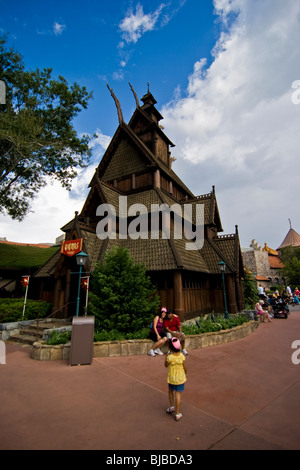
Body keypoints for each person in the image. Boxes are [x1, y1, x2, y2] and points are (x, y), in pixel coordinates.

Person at [164, 337, 187, 421]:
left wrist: (166, 357)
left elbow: (166, 365)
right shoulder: (182, 356)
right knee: (178, 394)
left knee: (170, 391)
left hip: (172, 377)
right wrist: (185, 373)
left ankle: (171, 407)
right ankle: (177, 414)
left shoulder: (170, 357)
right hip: (180, 378)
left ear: (170, 348)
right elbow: (185, 367)